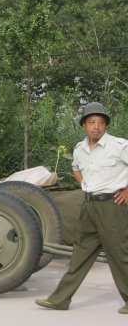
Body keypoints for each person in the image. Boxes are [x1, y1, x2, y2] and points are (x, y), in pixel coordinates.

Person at [35, 102, 128, 315]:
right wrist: (86, 185)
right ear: (84, 125)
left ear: (106, 126)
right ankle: (60, 299)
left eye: (101, 123)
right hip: (89, 207)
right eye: (92, 122)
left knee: (120, 255)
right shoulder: (80, 149)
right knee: (79, 254)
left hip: (112, 207)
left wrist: (127, 191)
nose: (96, 127)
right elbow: (76, 168)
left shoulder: (119, 146)